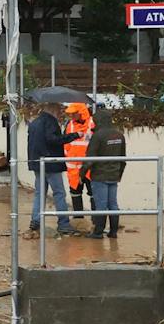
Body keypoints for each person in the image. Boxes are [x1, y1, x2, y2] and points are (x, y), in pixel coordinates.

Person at [26, 102, 75, 235]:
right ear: (53, 110)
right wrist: (73, 136)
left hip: (38, 163)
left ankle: (35, 221)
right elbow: (53, 140)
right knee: (59, 193)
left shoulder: (34, 122)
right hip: (51, 163)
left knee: (39, 193)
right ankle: (63, 223)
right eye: (59, 111)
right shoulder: (51, 122)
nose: (60, 114)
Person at [82, 107, 128, 239]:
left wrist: (82, 173)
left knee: (101, 204)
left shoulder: (98, 136)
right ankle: (113, 232)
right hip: (114, 175)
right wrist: (119, 175)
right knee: (113, 204)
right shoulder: (119, 135)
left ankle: (98, 232)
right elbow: (123, 158)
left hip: (99, 176)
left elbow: (90, 158)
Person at [62, 101, 94, 223]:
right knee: (75, 194)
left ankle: (96, 221)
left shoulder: (93, 124)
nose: (72, 116)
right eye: (71, 113)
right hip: (74, 168)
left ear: (81, 112)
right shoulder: (69, 125)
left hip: (90, 167)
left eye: (74, 113)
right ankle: (78, 221)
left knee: (93, 194)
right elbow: (65, 144)